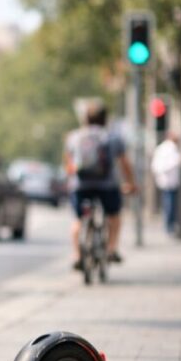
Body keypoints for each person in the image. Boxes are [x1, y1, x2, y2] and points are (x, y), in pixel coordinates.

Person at [64, 100, 135, 269]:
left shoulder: (74, 137)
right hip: (107, 186)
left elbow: (69, 165)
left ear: (85, 119)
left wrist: (71, 181)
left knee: (78, 220)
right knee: (114, 216)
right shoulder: (112, 137)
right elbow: (124, 163)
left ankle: (77, 255)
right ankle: (111, 249)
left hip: (81, 186)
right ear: (105, 118)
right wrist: (131, 183)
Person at [151, 131, 181, 233]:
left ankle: (171, 225)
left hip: (170, 181)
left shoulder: (165, 148)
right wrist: (177, 162)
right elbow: (160, 166)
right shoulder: (167, 149)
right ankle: (169, 226)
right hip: (168, 181)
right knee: (169, 204)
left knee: (171, 204)